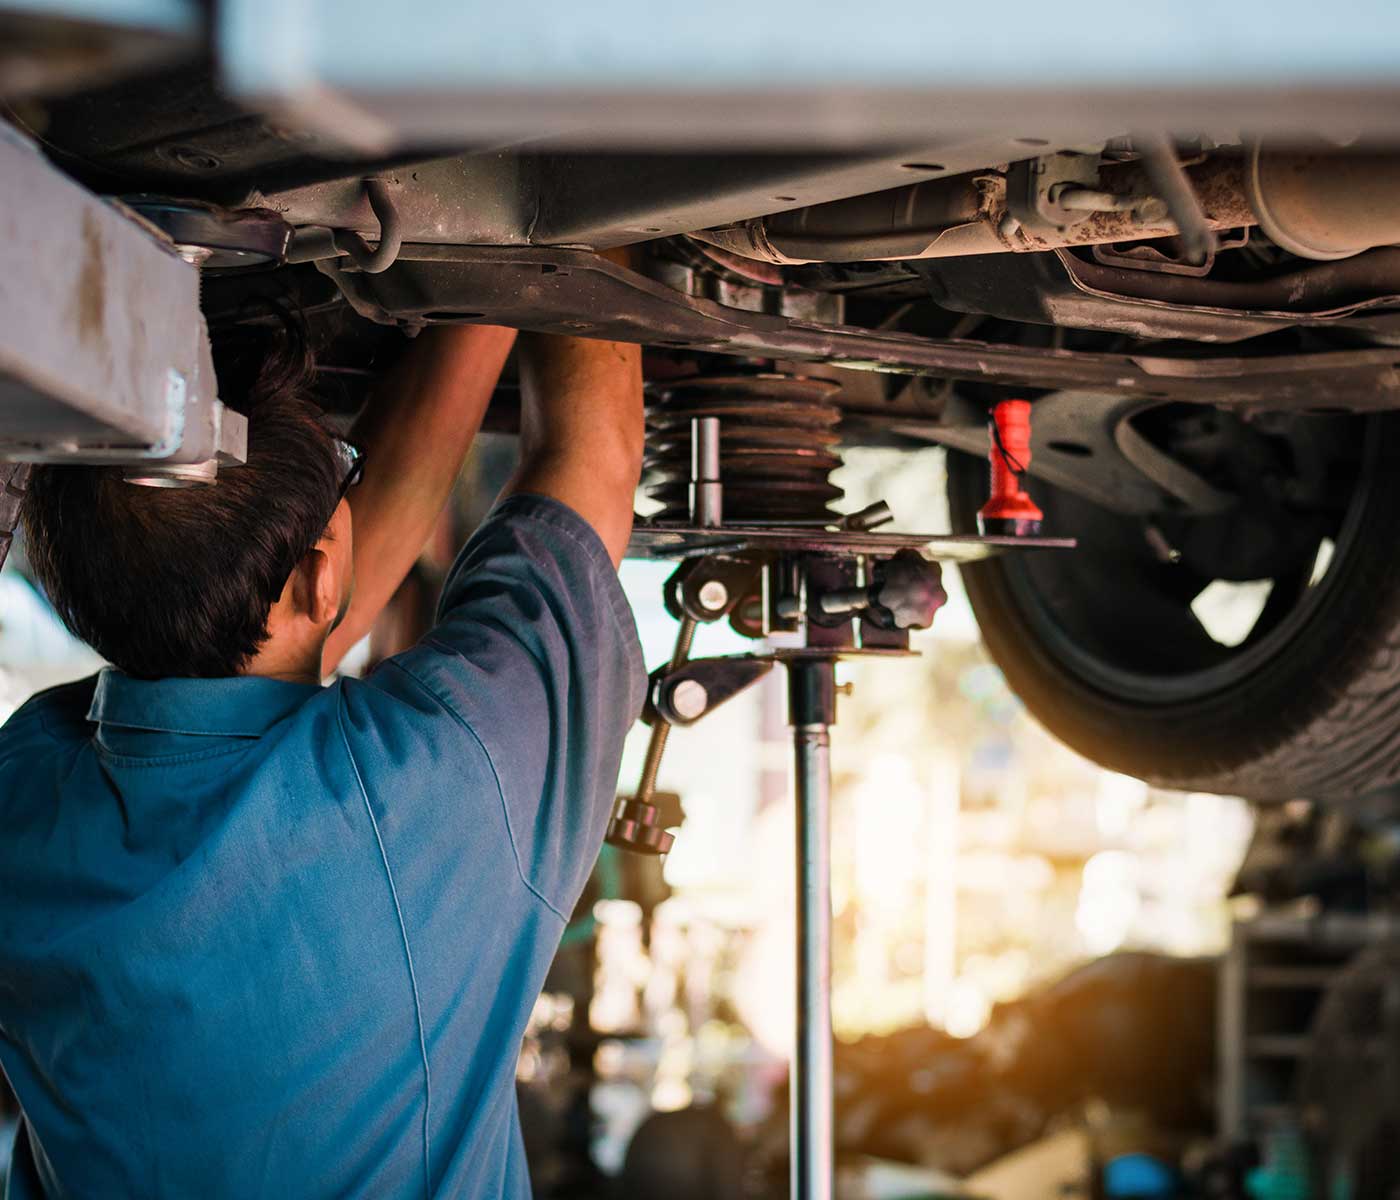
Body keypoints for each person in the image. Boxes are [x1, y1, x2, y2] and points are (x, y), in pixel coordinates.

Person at [0, 324, 647, 1199]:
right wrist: (521, 234)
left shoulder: (23, 813)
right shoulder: (437, 781)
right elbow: (587, 455)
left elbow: (587, 465)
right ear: (320, 577)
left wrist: (509, 285)